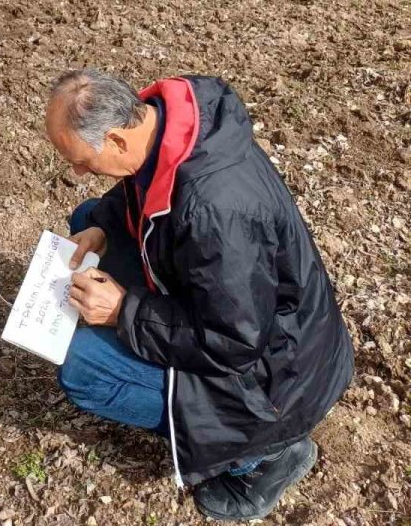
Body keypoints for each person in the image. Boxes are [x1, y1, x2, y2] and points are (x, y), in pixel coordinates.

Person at [45, 69, 353, 523]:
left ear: (116, 139)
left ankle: (266, 456)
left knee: (85, 371)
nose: (76, 171)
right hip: (243, 319)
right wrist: (103, 227)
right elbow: (140, 190)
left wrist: (123, 311)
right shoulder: (168, 125)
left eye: (83, 162)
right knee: (89, 215)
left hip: (275, 376)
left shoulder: (216, 211)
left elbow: (233, 341)